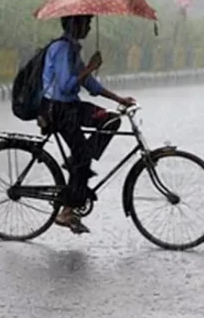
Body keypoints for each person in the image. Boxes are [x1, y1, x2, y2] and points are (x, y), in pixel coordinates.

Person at [40, 14, 135, 234]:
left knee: (110, 119)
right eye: (87, 23)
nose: (90, 27)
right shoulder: (62, 49)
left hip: (71, 106)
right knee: (83, 158)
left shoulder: (72, 49)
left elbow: (90, 85)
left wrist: (119, 99)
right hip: (59, 109)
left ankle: (78, 163)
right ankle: (67, 211)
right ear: (75, 24)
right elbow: (65, 86)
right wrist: (90, 67)